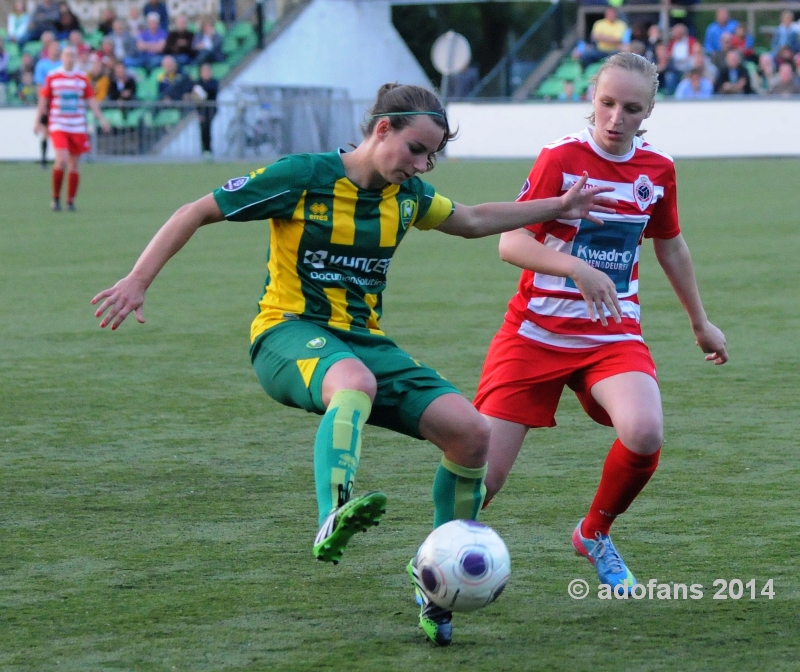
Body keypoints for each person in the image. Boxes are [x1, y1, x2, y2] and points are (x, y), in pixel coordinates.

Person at [90, 82, 616, 647]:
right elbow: (196, 210)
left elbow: (472, 218)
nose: (420, 164)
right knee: (354, 382)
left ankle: (437, 578)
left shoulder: (407, 197)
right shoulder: (304, 175)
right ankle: (332, 512)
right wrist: (138, 280)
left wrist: (557, 207)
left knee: (470, 433)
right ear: (381, 129)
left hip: (366, 342)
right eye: (415, 149)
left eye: (431, 155)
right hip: (286, 334)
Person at [472, 52, 728, 595]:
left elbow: (671, 244)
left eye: (630, 108)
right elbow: (510, 242)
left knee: (645, 431)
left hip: (611, 337)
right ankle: (441, 566)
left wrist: (700, 323)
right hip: (534, 334)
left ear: (649, 111)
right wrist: (575, 268)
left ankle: (595, 533)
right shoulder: (561, 158)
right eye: (607, 103)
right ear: (592, 99)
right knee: (481, 480)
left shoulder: (657, 170)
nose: (615, 118)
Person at [34, 45, 111, 211]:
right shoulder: (53, 76)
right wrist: (37, 121)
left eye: (72, 55)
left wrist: (102, 119)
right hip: (58, 124)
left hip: (77, 126)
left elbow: (91, 100)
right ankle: (55, 198)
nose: (69, 58)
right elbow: (44, 99)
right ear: (61, 57)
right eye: (67, 55)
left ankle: (70, 201)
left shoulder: (82, 78)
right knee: (61, 159)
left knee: (74, 164)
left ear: (76, 58)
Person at [193, 62, 218, 155]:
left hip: (210, 109)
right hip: (201, 110)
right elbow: (196, 98)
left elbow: (211, 94)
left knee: (208, 129)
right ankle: (204, 150)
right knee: (202, 129)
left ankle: (209, 150)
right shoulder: (198, 82)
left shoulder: (213, 82)